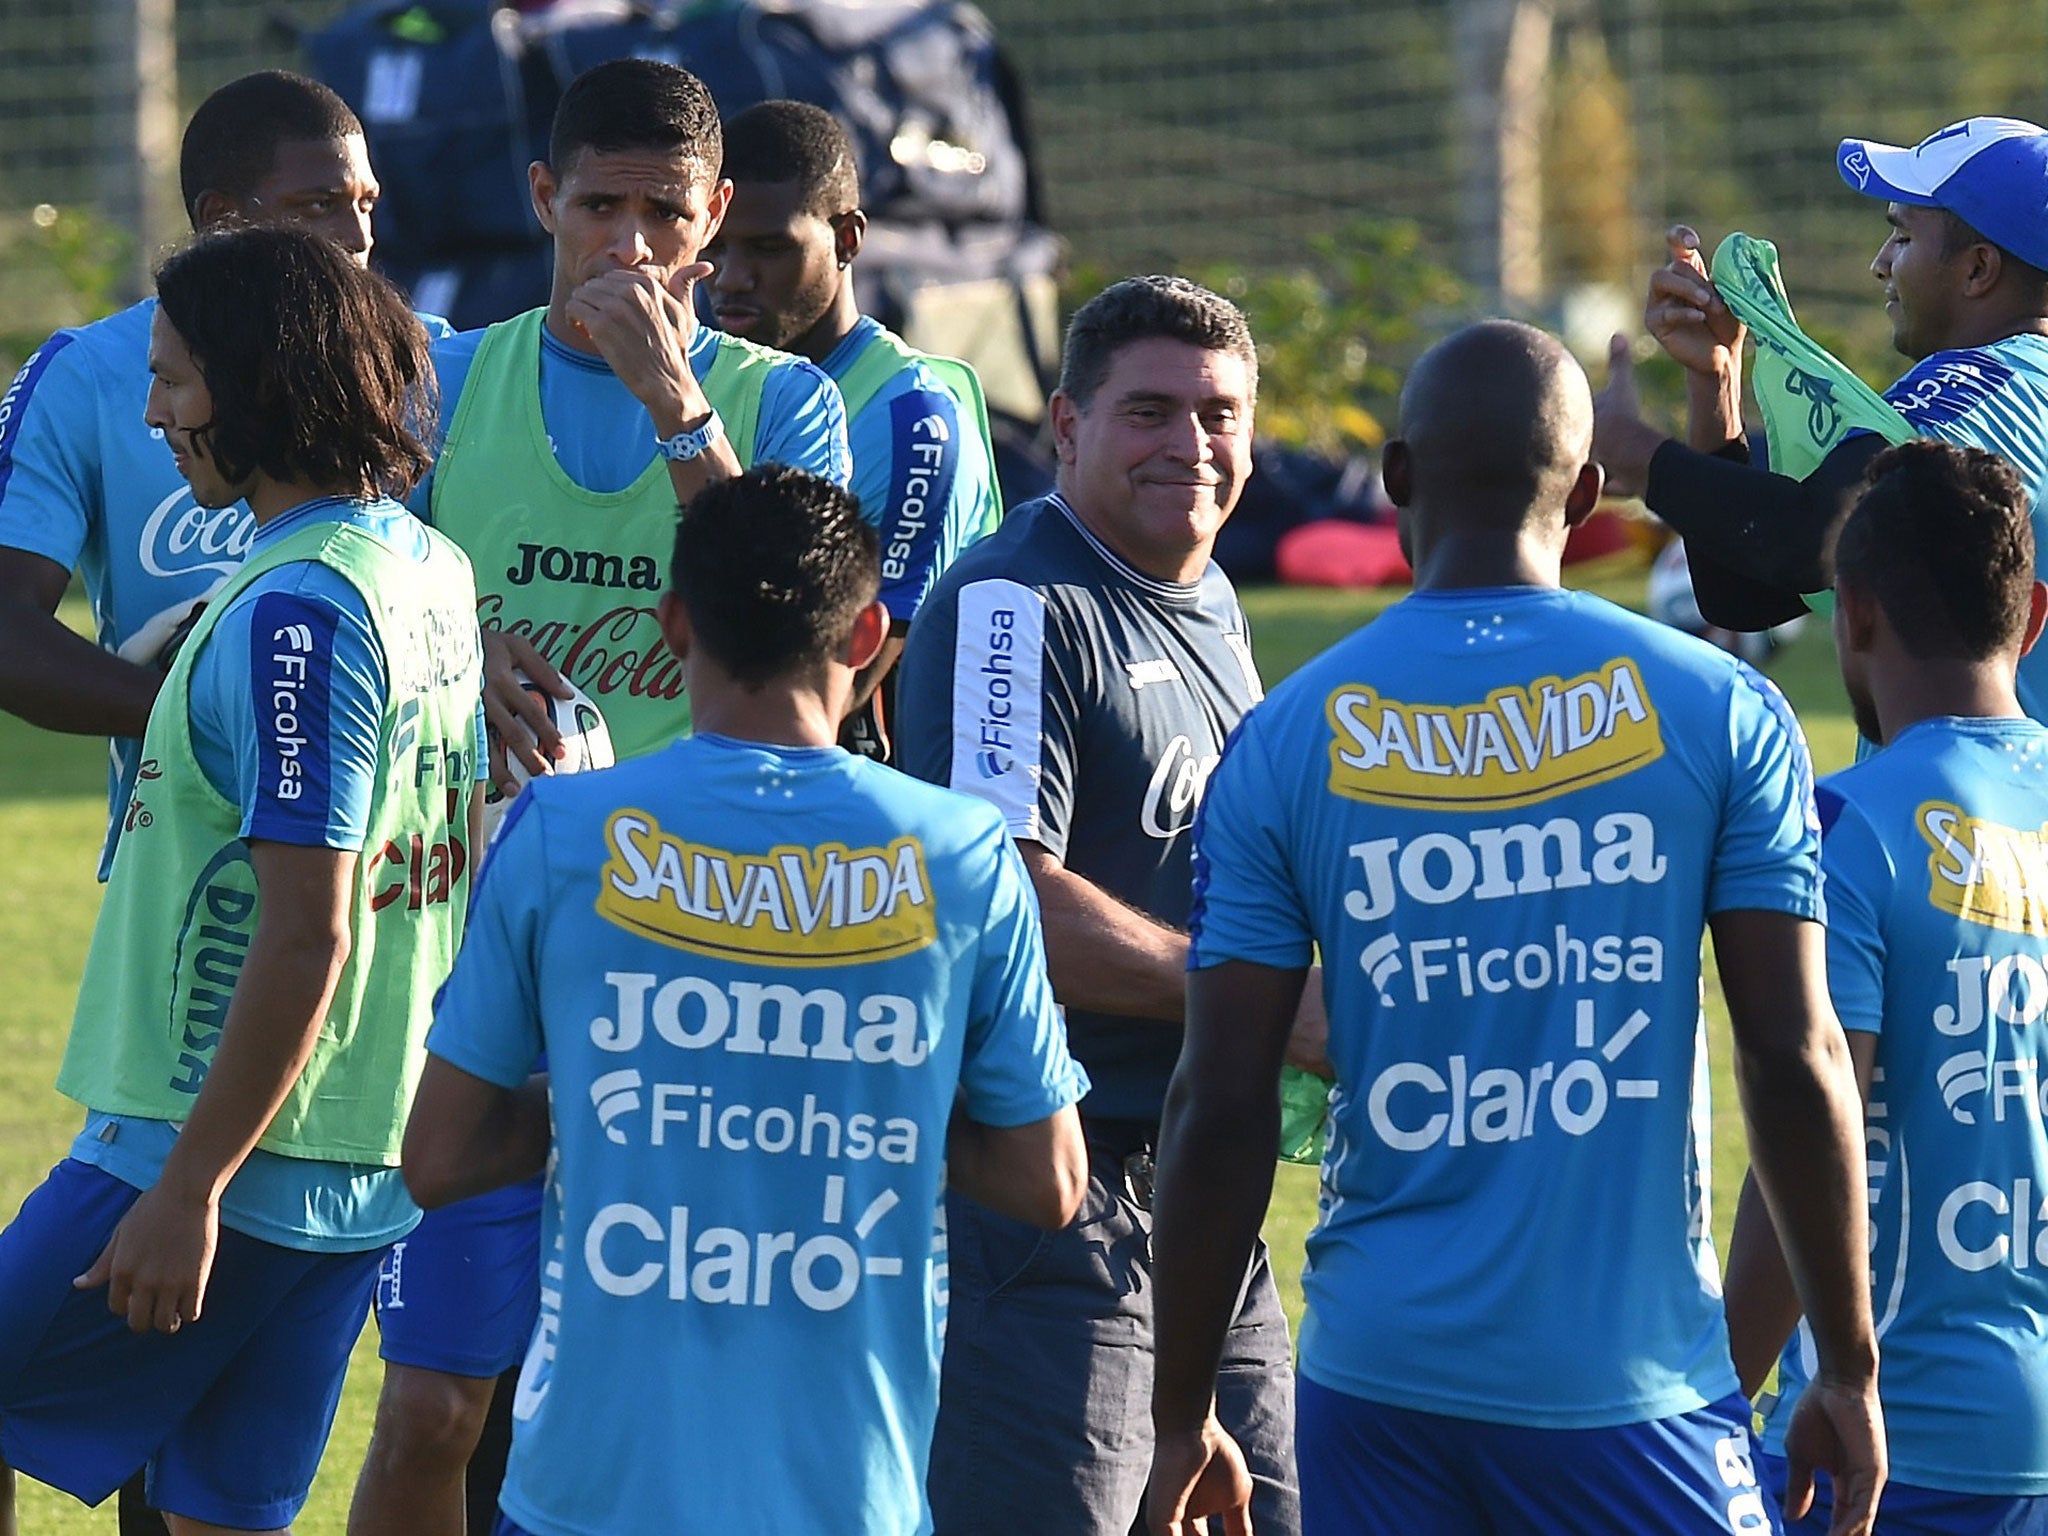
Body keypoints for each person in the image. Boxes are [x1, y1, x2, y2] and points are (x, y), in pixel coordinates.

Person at [1146, 319, 1884, 1536]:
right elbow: (1793, 1057)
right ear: (1589, 493)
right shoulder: (1722, 711)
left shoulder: (1283, 737)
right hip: (1627, 1388)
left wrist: (1183, 1415)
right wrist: (1847, 1369)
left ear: (1393, 484)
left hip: (1375, 1387)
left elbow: (1215, 1097)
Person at [348, 58, 851, 1536]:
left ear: (719, 219)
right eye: (598, 207)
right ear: (539, 202)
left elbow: (805, 637)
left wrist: (674, 400)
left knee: (671, 1395)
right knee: (440, 1405)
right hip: (479, 966)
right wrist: (457, 639)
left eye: (665, 213)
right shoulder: (441, 382)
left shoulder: (786, 408)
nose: (629, 244)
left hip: (707, 968)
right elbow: (355, 617)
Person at [400, 463, 1088, 1536]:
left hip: (595, 1485)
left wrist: (628, 1086)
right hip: (844, 1490)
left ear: (674, 626)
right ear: (866, 639)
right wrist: (860, 1102)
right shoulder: (962, 852)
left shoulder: (562, 832)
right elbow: (1049, 1177)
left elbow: (437, 1158)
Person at [0, 225, 481, 1536]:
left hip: (206, 1147)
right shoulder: (427, 568)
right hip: (352, 1159)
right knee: (223, 1514)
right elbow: (448, 852)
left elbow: (308, 930)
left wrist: (189, 1188)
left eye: (174, 381)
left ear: (261, 387)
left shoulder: (297, 609)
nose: (152, 415)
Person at [894, 274, 1310, 1536]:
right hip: (1050, 1199)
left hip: (1200, 1180)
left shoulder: (1211, 596)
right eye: (1149, 412)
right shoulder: (1015, 605)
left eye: (1219, 414)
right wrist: (1272, 1009)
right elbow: (1006, 902)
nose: (1191, 446)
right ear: (1067, 427)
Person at [1723, 440, 2048, 1532]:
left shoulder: (1844, 827)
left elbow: (1802, 1128)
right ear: (2032, 616)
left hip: (1886, 1445)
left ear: (1851, 613)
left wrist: (1718, 1397)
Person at [0, 70, 419, 885]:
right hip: (181, 867)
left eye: (365, 203)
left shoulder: (424, 359)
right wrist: (205, 714)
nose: (357, 235)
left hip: (386, 866)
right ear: (222, 220)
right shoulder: (87, 375)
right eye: (318, 205)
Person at [1593, 116, 2048, 719]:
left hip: (1977, 807)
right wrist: (1716, 385)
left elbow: (1816, 537)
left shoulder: (1986, 390)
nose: (1881, 264)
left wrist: (1630, 449)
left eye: (1904, 238)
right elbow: (1745, 596)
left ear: (1978, 269)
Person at [706, 99, 1001, 761]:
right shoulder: (708, 378)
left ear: (847, 239)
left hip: (850, 819)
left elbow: (851, 671)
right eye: (714, 247)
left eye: (768, 248)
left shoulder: (911, 417)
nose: (730, 278)